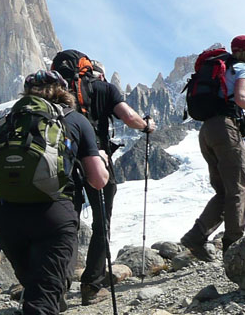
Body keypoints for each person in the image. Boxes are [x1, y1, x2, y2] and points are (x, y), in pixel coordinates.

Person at [0, 70, 111, 314]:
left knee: (37, 288)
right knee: (43, 300)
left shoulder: (8, 121)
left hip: (6, 218)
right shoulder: (75, 119)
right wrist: (102, 159)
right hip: (52, 216)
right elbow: (98, 181)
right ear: (63, 91)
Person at [180, 35, 245, 261]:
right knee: (238, 189)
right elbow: (241, 97)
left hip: (207, 130)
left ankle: (196, 236)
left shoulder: (221, 68)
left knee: (224, 191)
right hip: (226, 130)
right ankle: (234, 248)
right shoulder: (243, 68)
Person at [71, 60, 157, 305]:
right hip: (97, 157)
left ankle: (56, 286)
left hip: (64, 161)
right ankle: (92, 285)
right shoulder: (105, 88)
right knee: (101, 221)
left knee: (67, 222)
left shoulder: (61, 89)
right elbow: (129, 116)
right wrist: (146, 126)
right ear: (100, 74)